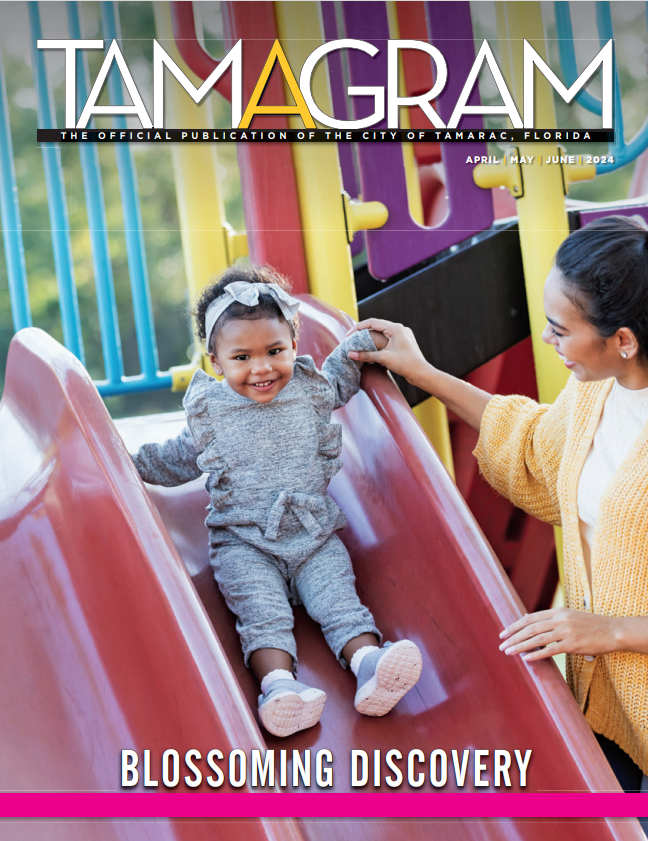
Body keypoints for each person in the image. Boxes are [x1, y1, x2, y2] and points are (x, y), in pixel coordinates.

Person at [347, 215, 648, 800]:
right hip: (613, 705)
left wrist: (610, 630)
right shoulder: (597, 390)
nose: (546, 340)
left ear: (625, 340)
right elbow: (534, 445)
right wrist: (425, 374)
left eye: (560, 329)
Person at [131, 265, 422, 738]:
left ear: (293, 343)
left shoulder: (308, 390)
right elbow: (177, 460)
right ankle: (279, 689)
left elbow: (343, 378)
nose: (262, 367)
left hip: (312, 534)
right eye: (241, 356)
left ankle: (369, 664)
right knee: (262, 615)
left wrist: (356, 344)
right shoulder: (213, 413)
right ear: (216, 359)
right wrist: (122, 461)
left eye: (274, 351)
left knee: (339, 600)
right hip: (243, 542)